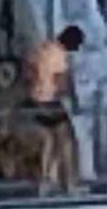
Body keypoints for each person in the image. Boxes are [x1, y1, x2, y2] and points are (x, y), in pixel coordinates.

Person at [25, 25, 84, 192]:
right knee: (67, 140)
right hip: (50, 101)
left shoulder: (44, 48)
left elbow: (28, 68)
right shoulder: (60, 56)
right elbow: (61, 82)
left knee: (50, 142)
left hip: (35, 99)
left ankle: (47, 180)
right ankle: (70, 183)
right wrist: (73, 98)